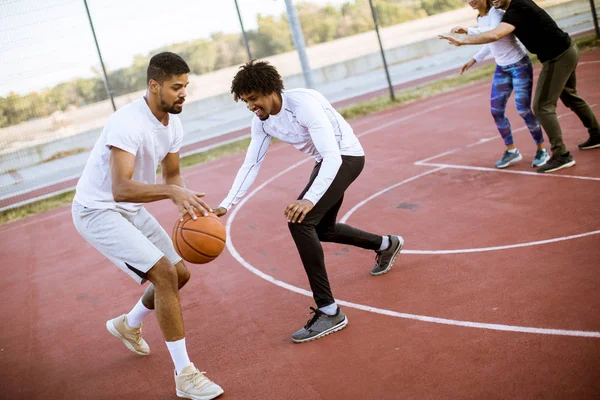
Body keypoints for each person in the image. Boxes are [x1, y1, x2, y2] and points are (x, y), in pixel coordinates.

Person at [213, 60, 404, 343]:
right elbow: (251, 164)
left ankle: (329, 310)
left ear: (270, 90)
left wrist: (309, 200)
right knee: (323, 229)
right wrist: (227, 204)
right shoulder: (261, 122)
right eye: (245, 102)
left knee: (300, 221)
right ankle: (386, 244)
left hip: (346, 157)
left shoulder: (303, 106)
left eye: (253, 99)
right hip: (325, 161)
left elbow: (333, 157)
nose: (251, 107)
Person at [71, 52, 224, 400]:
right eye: (175, 87)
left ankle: (129, 324)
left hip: (130, 208)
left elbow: (172, 175)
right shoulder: (127, 123)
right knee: (164, 274)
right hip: (97, 210)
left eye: (185, 86)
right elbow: (120, 187)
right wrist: (171, 191)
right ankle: (185, 376)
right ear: (153, 85)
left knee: (179, 273)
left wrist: (188, 203)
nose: (183, 93)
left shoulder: (174, 123)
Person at [439, 0, 600, 173]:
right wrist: (474, 55)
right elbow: (491, 36)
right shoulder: (511, 9)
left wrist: (463, 39)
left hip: (557, 57)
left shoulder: (517, 8)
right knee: (569, 96)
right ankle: (596, 135)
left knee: (542, 107)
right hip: (564, 51)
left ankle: (561, 155)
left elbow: (494, 35)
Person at [453, 0, 549, 169]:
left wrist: (467, 31)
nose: (470, 1)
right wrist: (474, 59)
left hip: (519, 65)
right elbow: (490, 42)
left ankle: (542, 149)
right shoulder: (480, 19)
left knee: (523, 110)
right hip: (502, 68)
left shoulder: (496, 14)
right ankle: (512, 151)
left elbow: (492, 33)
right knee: (496, 111)